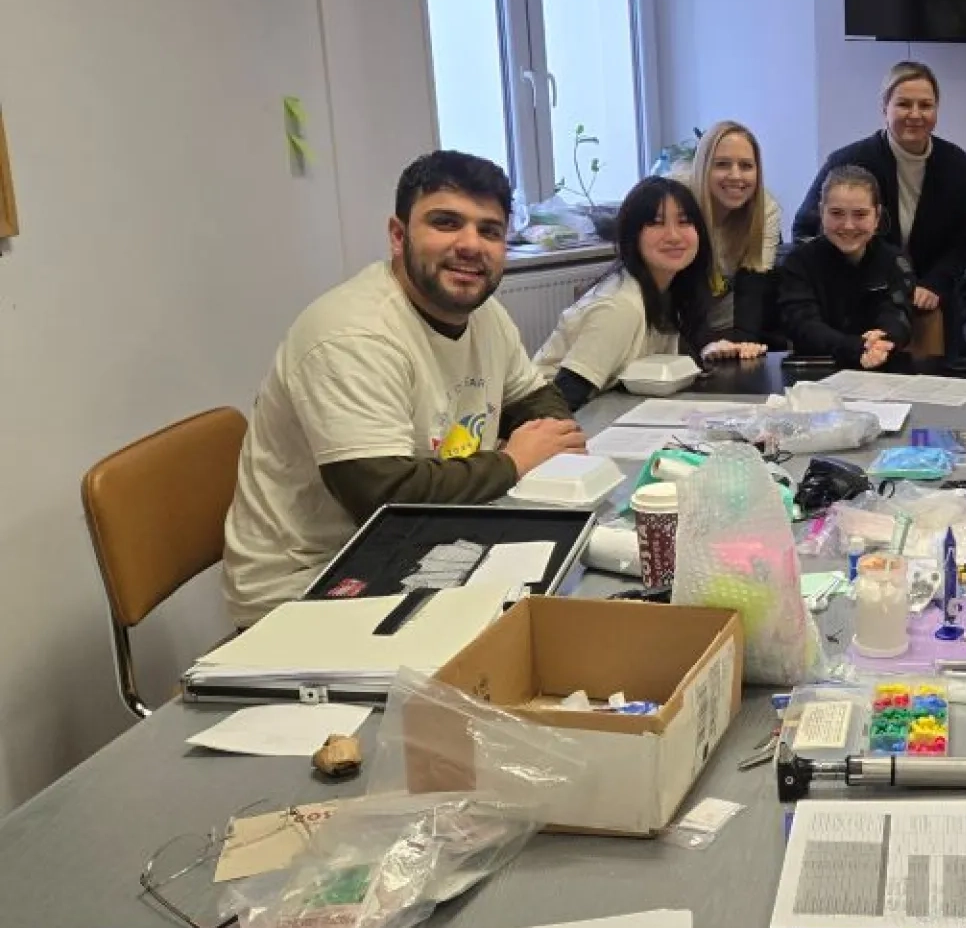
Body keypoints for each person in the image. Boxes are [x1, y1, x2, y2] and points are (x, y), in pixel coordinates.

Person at [223, 151, 585, 625]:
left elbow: (537, 401)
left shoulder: (485, 316)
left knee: (581, 595)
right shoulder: (352, 335)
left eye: (489, 230)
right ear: (398, 235)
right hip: (311, 585)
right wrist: (513, 460)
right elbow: (386, 497)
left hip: (418, 547)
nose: (471, 245)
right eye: (446, 222)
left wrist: (541, 438)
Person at [794, 62, 966, 354]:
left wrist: (934, 284)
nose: (915, 114)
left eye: (925, 105)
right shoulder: (848, 160)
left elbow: (964, 240)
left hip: (930, 306)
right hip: (861, 310)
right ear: (884, 108)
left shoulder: (957, 164)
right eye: (904, 104)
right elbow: (805, 228)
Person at [532, 176, 715, 409]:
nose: (674, 236)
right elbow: (563, 398)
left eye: (685, 221)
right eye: (656, 223)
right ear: (632, 234)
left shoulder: (668, 291)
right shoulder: (620, 305)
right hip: (548, 418)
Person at [776, 165, 913, 369]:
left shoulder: (894, 260)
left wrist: (885, 338)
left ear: (877, 217)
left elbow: (898, 314)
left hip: (879, 366)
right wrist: (857, 347)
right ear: (822, 213)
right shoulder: (798, 263)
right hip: (816, 372)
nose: (848, 225)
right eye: (837, 213)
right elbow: (803, 326)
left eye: (860, 214)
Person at [683, 121, 780, 354]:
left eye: (746, 165)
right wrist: (705, 344)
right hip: (676, 325)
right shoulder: (680, 200)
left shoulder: (765, 208)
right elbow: (681, 290)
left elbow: (752, 287)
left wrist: (743, 348)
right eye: (722, 164)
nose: (735, 176)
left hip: (726, 323)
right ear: (704, 166)